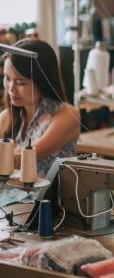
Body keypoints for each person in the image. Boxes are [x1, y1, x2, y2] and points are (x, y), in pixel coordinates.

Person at [0, 39, 80, 177]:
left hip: (48, 198)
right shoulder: (6, 117)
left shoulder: (67, 115)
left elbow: (22, 160)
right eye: (7, 78)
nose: (11, 89)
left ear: (42, 80)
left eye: (21, 83)